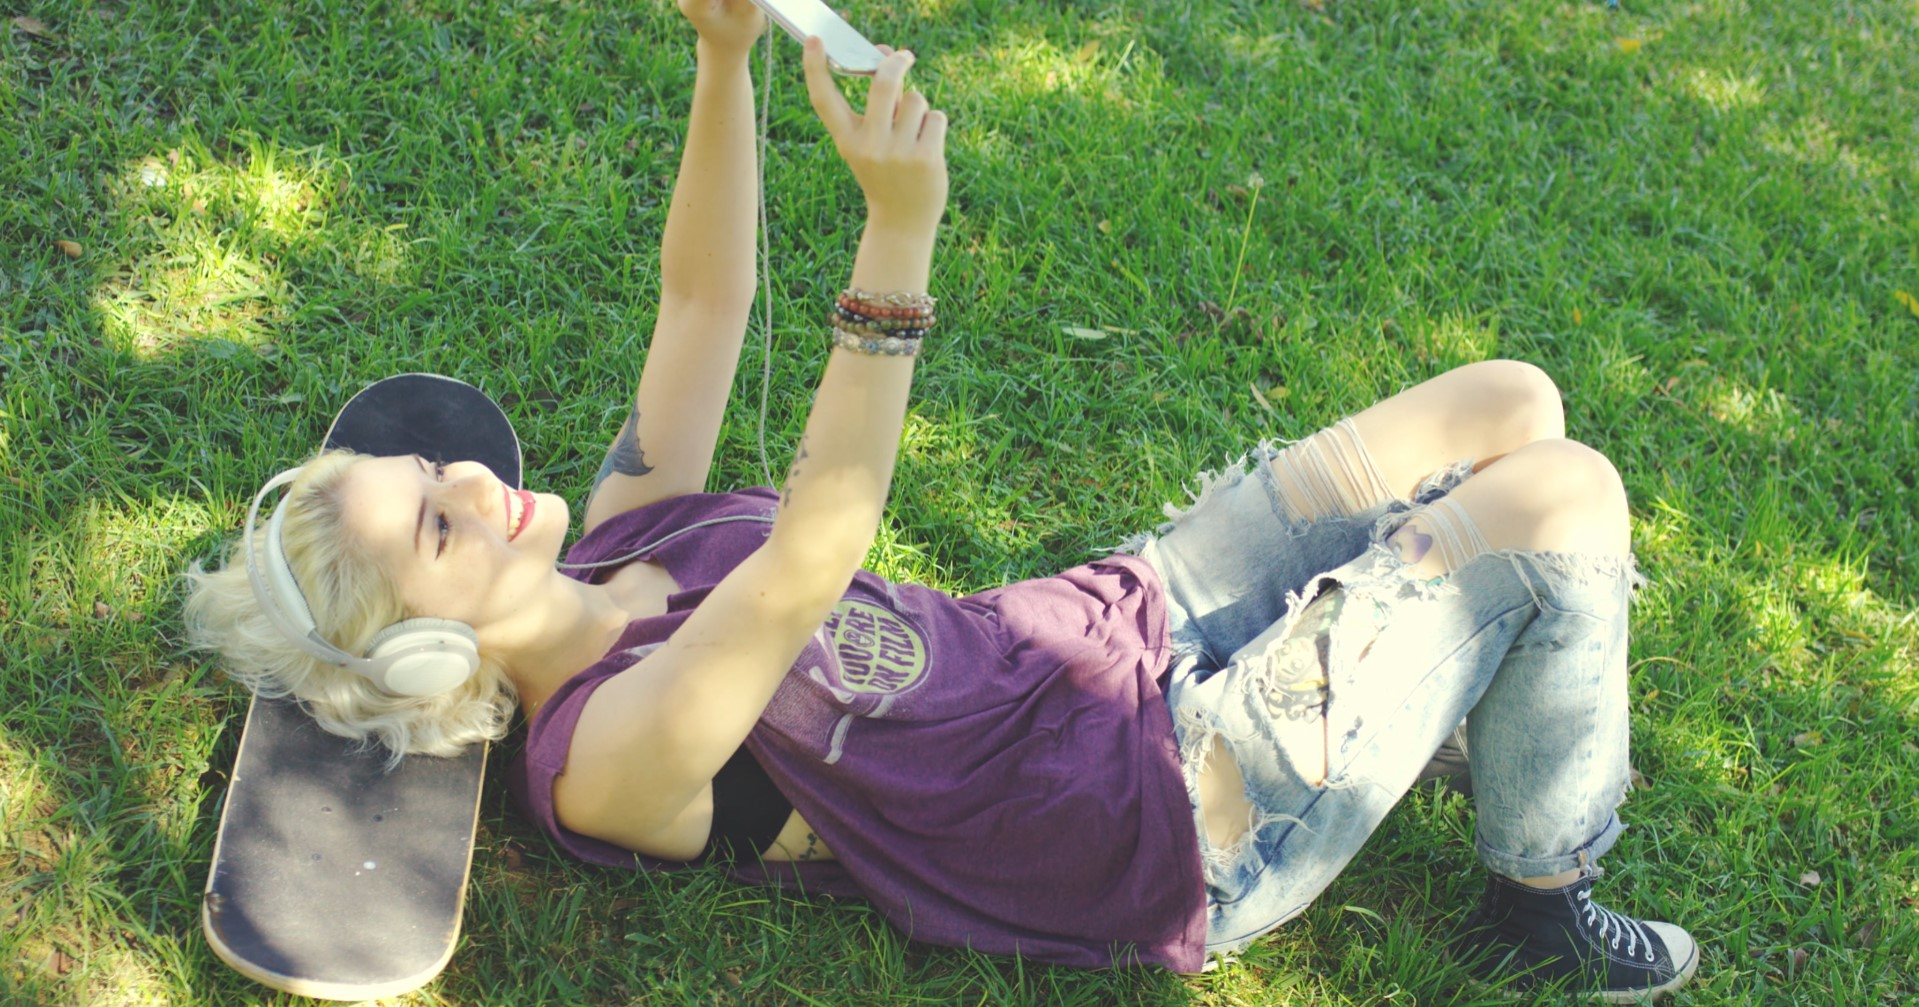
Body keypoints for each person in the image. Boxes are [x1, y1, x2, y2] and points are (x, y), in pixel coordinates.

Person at [185, 1, 1700, 999]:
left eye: (432, 472)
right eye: (436, 526)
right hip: (1167, 806)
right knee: (1563, 496)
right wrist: (897, 236)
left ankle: (1451, 703)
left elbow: (702, 305)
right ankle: (1538, 897)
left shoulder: (630, 522)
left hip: (1105, 632)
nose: (469, 477)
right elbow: (811, 555)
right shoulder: (604, 758)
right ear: (430, 657)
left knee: (1506, 405)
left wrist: (721, 56)